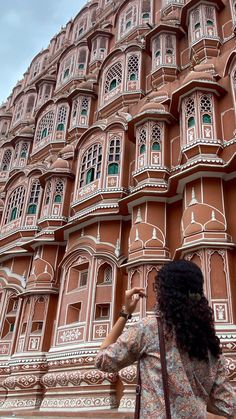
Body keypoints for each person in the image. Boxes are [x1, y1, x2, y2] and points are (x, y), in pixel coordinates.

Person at [95, 260, 236, 418]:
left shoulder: (149, 329)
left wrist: (124, 313)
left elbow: (102, 361)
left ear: (164, 292)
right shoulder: (208, 339)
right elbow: (228, 405)